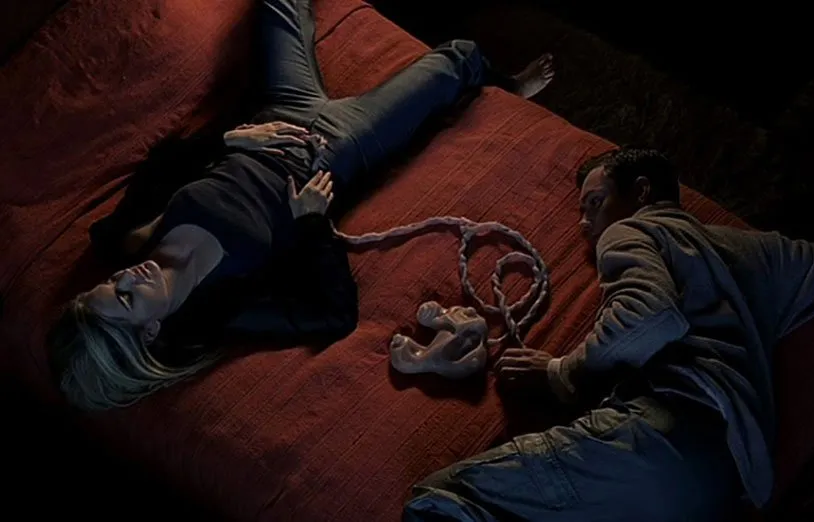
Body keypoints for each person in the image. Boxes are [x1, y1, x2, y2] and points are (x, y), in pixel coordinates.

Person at [47, 0, 555, 411]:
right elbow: (333, 315)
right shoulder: (226, 310)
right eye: (127, 299)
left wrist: (233, 138)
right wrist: (313, 221)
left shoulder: (128, 239)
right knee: (459, 57)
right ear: (151, 331)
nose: (127, 278)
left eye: (110, 284)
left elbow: (162, 162)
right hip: (338, 145)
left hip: (273, 115)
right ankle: (507, 89)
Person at [404, 147, 814, 521]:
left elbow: (651, 317)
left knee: (444, 502)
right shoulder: (752, 249)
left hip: (667, 439)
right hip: (733, 480)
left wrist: (559, 373)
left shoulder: (631, 230)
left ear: (641, 192)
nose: (585, 223)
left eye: (595, 202)